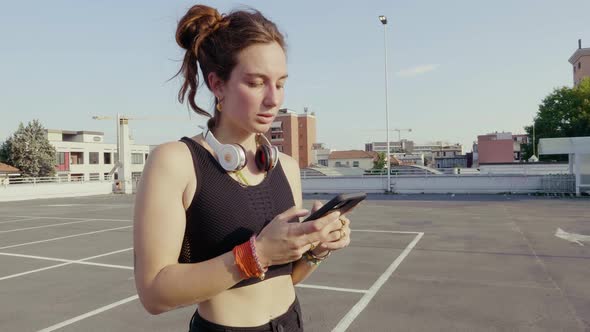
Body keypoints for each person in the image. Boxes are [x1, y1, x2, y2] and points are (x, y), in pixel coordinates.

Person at [133, 5, 352, 332]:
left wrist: (315, 250)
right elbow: (154, 293)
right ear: (218, 85)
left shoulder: (286, 167)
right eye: (256, 82)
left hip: (290, 323)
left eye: (280, 83)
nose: (273, 99)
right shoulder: (176, 162)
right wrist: (256, 253)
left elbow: (283, 279)